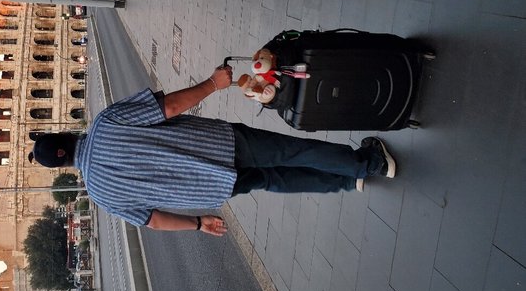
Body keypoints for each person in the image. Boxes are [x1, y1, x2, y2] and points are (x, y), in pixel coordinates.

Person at [31, 65, 396, 237]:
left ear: (63, 166)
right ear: (63, 136)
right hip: (221, 146)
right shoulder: (105, 123)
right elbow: (168, 108)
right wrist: (212, 83)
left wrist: (198, 224)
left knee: (274, 179)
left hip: (214, 189)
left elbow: (153, 220)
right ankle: (370, 164)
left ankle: (347, 183)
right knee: (293, 151)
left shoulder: (100, 195)